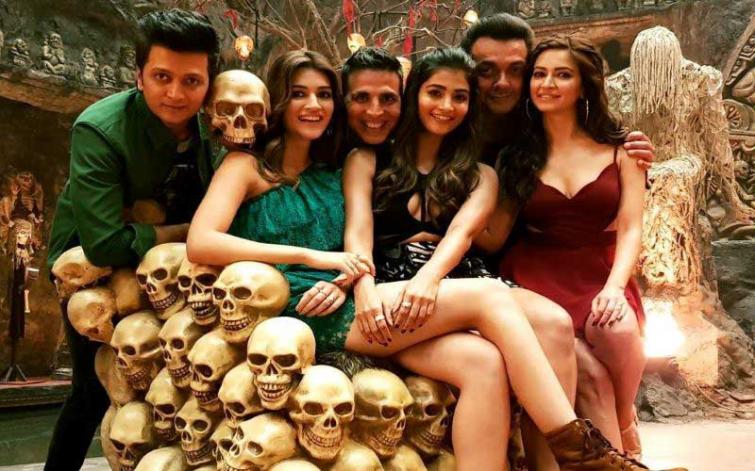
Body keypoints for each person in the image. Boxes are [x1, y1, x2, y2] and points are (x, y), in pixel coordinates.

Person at [189, 45, 680, 471]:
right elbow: (205, 241)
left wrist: (346, 276)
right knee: (488, 297)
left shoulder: (328, 173)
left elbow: (437, 238)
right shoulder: (255, 166)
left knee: (493, 358)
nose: (314, 105)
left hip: (364, 291)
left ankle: (551, 462)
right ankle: (576, 447)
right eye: (299, 94)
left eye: (322, 94)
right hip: (316, 306)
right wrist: (330, 267)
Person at [340, 50, 578, 466]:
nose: (447, 106)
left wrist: (431, 278)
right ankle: (580, 449)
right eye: (435, 93)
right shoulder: (367, 160)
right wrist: (363, 285)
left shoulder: (481, 174)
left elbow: (462, 235)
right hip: (395, 280)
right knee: (486, 337)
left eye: (460, 96)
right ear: (415, 95)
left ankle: (553, 464)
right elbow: (358, 232)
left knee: (556, 324)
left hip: (456, 274)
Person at [461, 14, 655, 468]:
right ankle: (621, 457)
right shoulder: (517, 155)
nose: (546, 84)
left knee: (618, 332)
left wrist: (615, 286)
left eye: (562, 75)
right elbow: (493, 236)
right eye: (540, 74)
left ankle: (625, 422)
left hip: (598, 269)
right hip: (536, 272)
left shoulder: (622, 149)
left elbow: (631, 226)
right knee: (590, 377)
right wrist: (448, 214)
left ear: (583, 85)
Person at [44, 9, 219, 470]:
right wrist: (186, 232)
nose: (176, 93)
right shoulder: (99, 129)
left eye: (191, 81)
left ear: (208, 83)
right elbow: (102, 243)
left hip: (181, 265)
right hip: (91, 271)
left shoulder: (215, 125)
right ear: (139, 76)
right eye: (162, 77)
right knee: (90, 388)